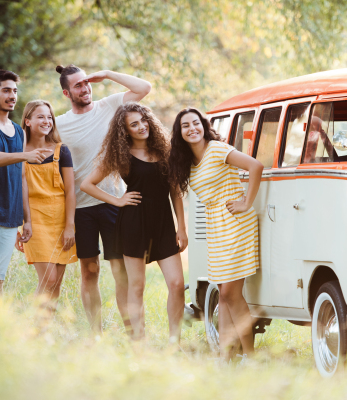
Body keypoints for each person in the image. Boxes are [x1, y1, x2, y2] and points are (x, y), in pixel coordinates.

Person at [55, 64, 152, 333]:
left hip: (114, 203)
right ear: (66, 93)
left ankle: (133, 333)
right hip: (81, 209)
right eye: (78, 85)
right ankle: (95, 335)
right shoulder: (60, 124)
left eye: (86, 83)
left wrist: (108, 74)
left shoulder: (109, 106)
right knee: (90, 271)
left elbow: (144, 88)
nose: (85, 88)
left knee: (120, 270)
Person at [80, 103, 187, 342]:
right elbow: (87, 184)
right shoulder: (120, 155)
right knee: (136, 287)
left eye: (143, 120)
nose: (141, 127)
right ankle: (139, 343)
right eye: (134, 124)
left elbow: (175, 192)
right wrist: (117, 201)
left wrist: (182, 227)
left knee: (177, 283)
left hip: (163, 223)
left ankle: (174, 342)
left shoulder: (165, 151)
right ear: (125, 131)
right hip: (133, 222)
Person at [168, 108, 263, 361]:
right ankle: (225, 355)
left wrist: (246, 202)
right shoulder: (188, 162)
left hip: (235, 221)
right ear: (179, 133)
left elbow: (256, 166)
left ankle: (251, 358)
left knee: (231, 293)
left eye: (196, 123)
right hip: (216, 225)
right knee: (223, 294)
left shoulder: (218, 149)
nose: (192, 129)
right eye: (185, 125)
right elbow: (173, 191)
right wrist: (181, 227)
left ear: (203, 125)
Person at [0, 69, 53, 304]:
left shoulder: (17, 131)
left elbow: (21, 178)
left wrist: (27, 219)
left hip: (10, 216)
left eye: (15, 91)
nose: (12, 95)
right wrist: (25, 155)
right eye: (6, 90)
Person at [14, 100, 77, 313]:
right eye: (41, 117)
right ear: (28, 121)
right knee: (48, 279)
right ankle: (30, 325)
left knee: (56, 284)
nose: (47, 121)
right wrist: (18, 226)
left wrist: (70, 226)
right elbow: (14, 192)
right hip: (34, 222)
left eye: (49, 117)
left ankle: (44, 333)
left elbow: (70, 192)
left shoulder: (61, 151)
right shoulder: (18, 152)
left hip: (60, 221)